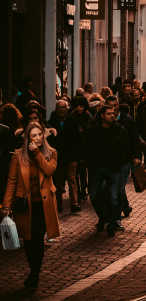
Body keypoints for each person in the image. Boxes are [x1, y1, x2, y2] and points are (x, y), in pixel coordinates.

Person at [2, 122, 59, 289]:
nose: (38, 138)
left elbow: (49, 170)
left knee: (38, 239)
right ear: (27, 138)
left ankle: (34, 273)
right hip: (25, 205)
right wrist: (6, 205)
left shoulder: (51, 153)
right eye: (34, 135)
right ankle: (33, 270)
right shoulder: (18, 156)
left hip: (43, 204)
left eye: (40, 134)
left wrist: (36, 153)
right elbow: (11, 181)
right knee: (28, 239)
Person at [83, 105, 132, 237]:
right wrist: (90, 162)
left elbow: (125, 148)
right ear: (102, 115)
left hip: (113, 168)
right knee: (93, 195)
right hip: (96, 167)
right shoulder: (93, 130)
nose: (112, 116)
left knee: (113, 197)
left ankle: (111, 224)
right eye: (109, 113)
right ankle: (103, 216)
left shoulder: (119, 130)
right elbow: (86, 147)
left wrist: (119, 163)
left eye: (113, 113)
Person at [105, 97, 142, 227]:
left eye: (115, 105)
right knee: (107, 190)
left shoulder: (127, 120)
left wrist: (137, 156)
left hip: (124, 161)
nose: (113, 109)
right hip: (107, 162)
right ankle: (109, 216)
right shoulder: (102, 121)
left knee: (119, 191)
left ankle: (116, 218)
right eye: (110, 106)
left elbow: (135, 139)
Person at [48, 100, 82, 213]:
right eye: (59, 107)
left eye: (63, 107)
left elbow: (77, 139)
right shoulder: (51, 122)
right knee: (57, 181)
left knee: (72, 179)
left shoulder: (73, 121)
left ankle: (74, 204)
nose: (61, 109)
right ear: (56, 109)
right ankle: (58, 204)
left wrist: (80, 155)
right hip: (57, 157)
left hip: (71, 156)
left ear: (67, 109)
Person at [69, 98, 94, 202]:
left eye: (81, 107)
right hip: (75, 148)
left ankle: (83, 190)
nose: (79, 108)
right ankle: (78, 192)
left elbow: (91, 133)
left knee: (83, 172)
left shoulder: (89, 118)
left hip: (86, 148)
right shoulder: (71, 117)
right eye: (78, 106)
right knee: (75, 172)